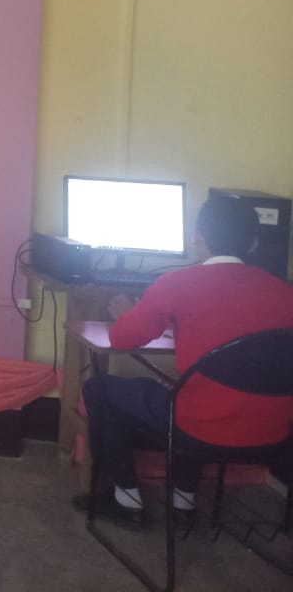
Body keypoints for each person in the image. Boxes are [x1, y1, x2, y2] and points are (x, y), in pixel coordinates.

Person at [77, 196, 293, 524]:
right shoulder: (285, 293)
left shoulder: (176, 284)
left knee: (99, 390)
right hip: (272, 433)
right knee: (189, 391)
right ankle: (182, 502)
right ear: (253, 243)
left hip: (198, 425)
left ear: (198, 238)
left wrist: (126, 314)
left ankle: (126, 500)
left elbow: (122, 339)